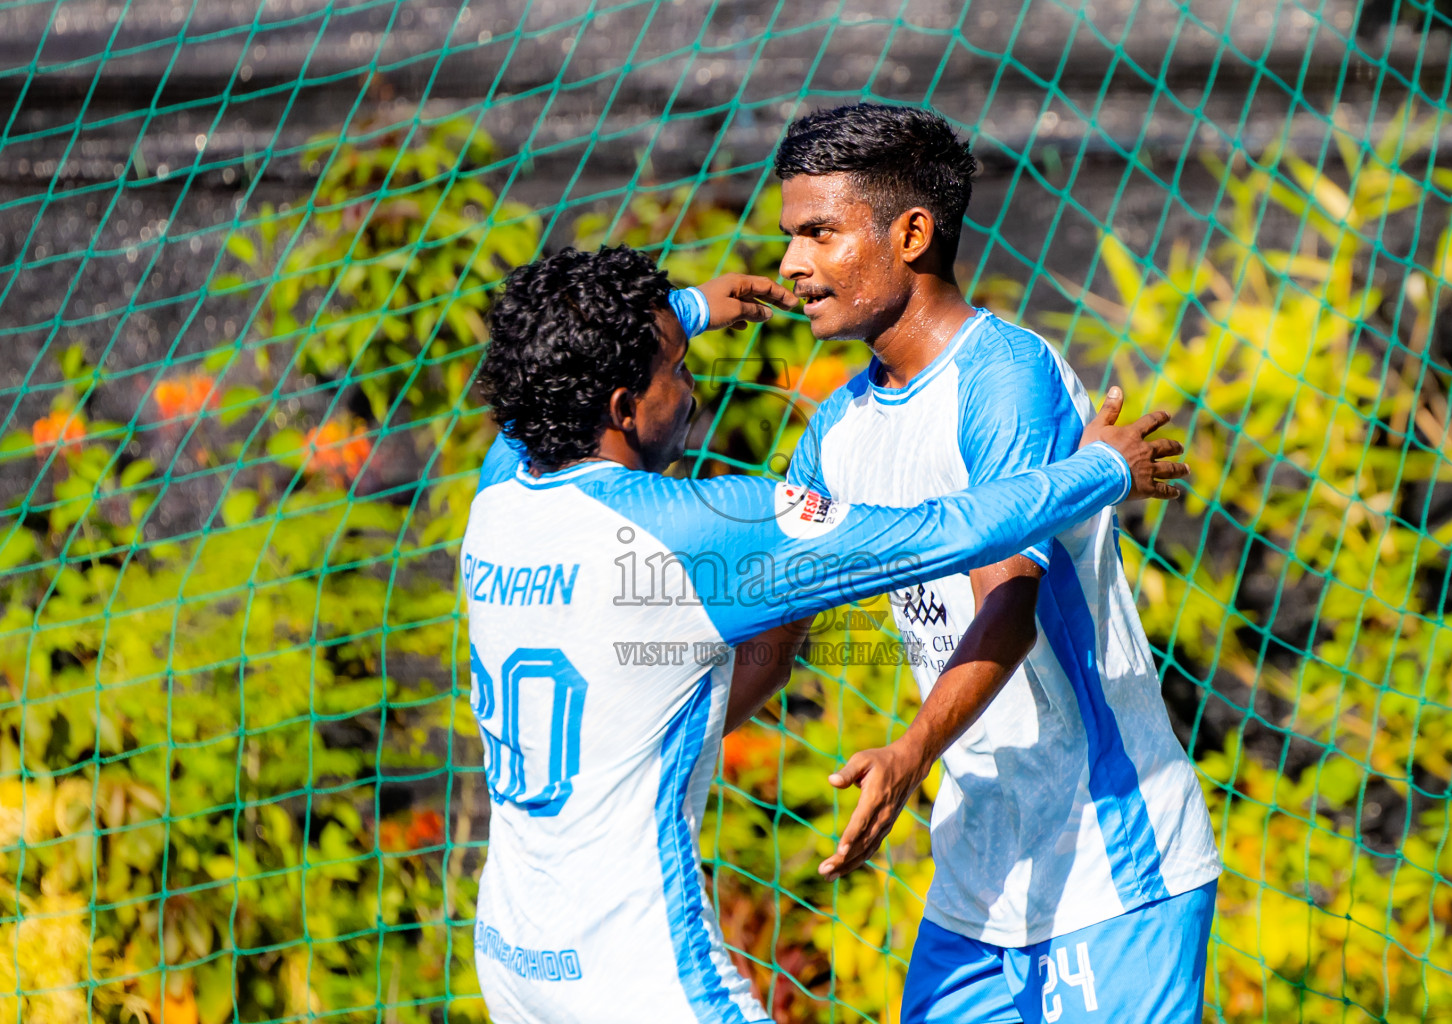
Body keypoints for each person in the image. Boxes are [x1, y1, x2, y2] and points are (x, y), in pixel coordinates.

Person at [463, 244, 1187, 1023]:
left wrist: (691, 311)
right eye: (677, 369)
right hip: (637, 975)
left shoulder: (499, 493)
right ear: (621, 408)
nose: (692, 384)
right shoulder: (698, 530)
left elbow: (541, 390)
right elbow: (950, 532)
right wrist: (1102, 469)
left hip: (511, 953)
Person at [762, 103, 1221, 1024]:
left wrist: (908, 753)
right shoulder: (838, 427)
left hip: (1107, 864)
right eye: (789, 237)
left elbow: (1007, 608)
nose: (791, 264)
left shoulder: (1006, 378)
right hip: (979, 876)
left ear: (912, 235)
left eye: (819, 232)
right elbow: (776, 617)